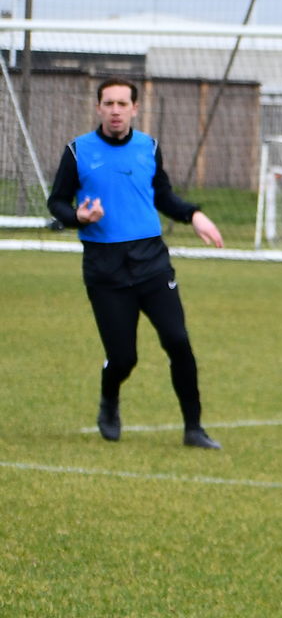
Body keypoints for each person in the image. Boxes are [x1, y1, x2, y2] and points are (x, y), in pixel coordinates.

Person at [46, 78, 225, 449]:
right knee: (123, 358)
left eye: (122, 104)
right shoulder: (78, 151)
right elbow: (57, 202)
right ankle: (109, 401)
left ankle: (194, 429)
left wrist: (194, 215)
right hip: (105, 268)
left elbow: (163, 196)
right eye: (109, 103)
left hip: (151, 263)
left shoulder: (149, 147)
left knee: (178, 341)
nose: (115, 110)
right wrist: (78, 216)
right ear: (98, 107)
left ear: (135, 108)